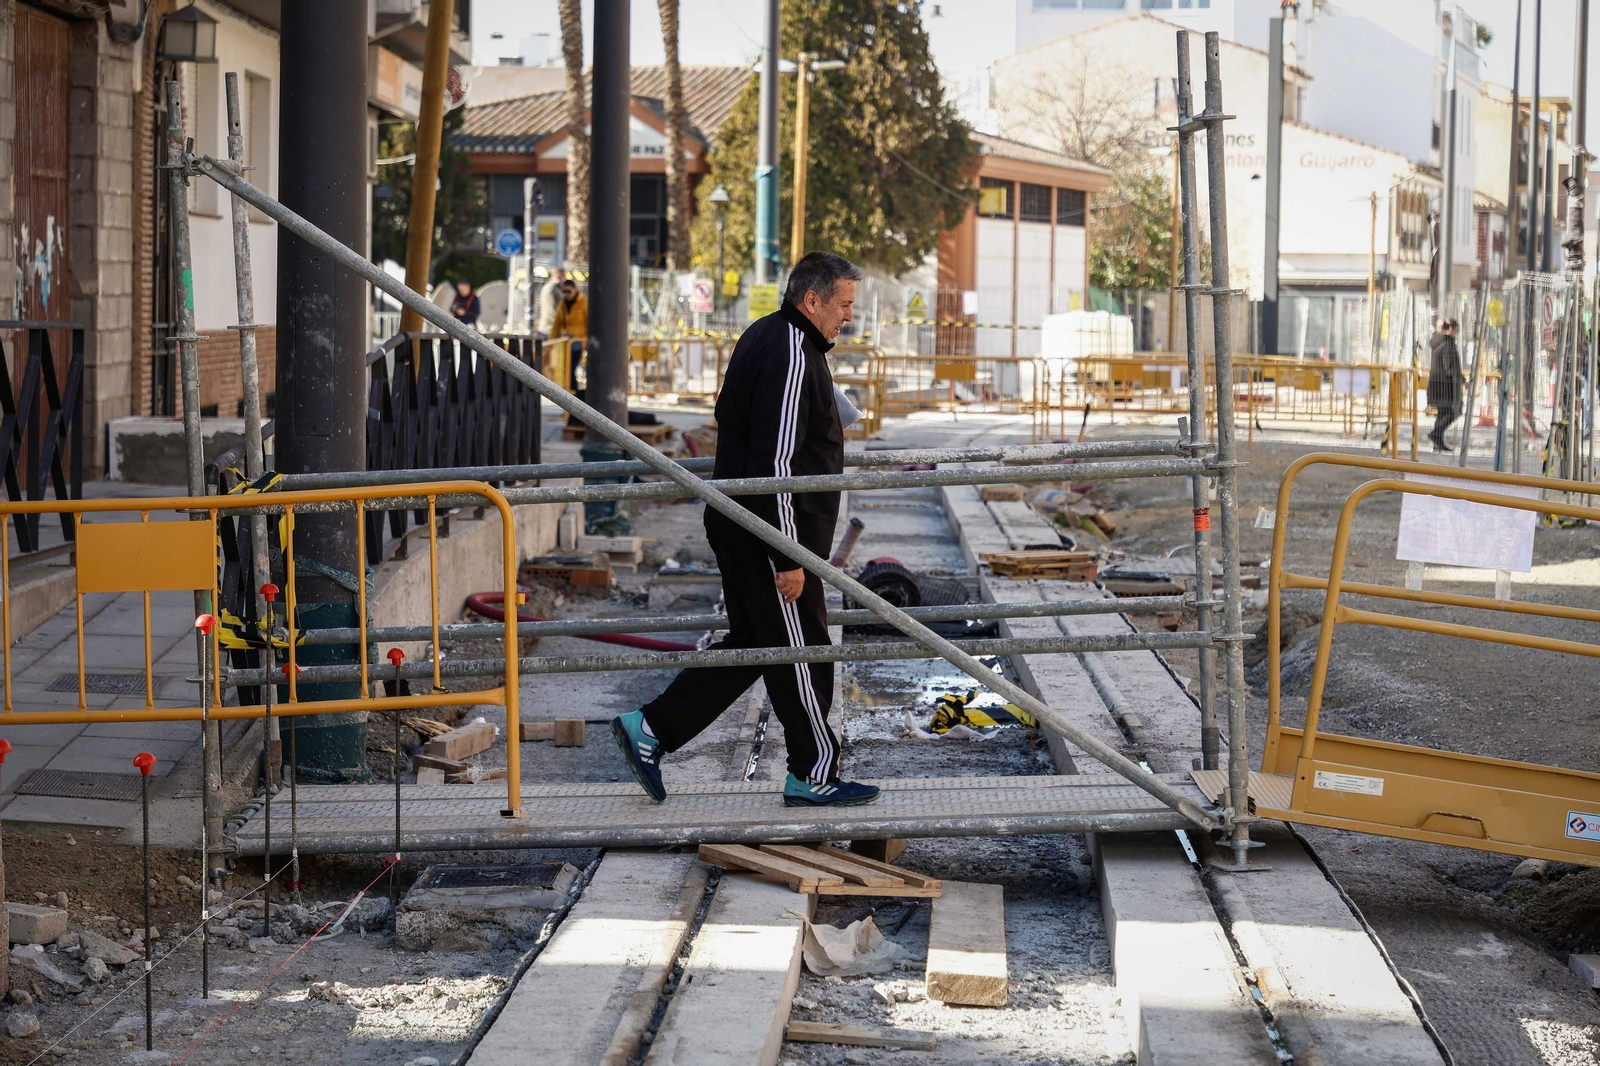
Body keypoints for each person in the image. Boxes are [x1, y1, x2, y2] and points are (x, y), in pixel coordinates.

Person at [611, 251, 879, 808]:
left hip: (746, 527)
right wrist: (788, 557)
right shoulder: (791, 351)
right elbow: (775, 464)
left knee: (757, 644)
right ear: (813, 300)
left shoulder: (773, 337)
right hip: (769, 536)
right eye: (844, 304)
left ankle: (652, 728)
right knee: (803, 651)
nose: (849, 316)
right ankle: (814, 773)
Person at [1427, 318, 1463, 452]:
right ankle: (1435, 435)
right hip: (1447, 387)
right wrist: (1461, 379)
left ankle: (1438, 443)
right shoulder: (1448, 345)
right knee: (1454, 411)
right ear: (1451, 329)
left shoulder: (1438, 342)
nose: (1457, 333)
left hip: (1437, 385)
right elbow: (1450, 368)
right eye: (1457, 330)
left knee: (1442, 414)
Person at [551, 277, 589, 390]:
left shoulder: (583, 303)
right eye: (564, 291)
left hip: (579, 340)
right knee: (565, 369)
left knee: (571, 368)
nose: (566, 294)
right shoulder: (563, 304)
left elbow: (589, 322)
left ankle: (573, 392)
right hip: (567, 341)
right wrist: (552, 340)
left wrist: (587, 340)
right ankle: (570, 391)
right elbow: (557, 324)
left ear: (575, 290)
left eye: (569, 291)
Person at [536, 268, 566, 336]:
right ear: (558, 277)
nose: (564, 279)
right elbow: (552, 310)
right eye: (563, 276)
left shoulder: (554, 288)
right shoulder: (552, 289)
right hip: (549, 329)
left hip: (550, 328)